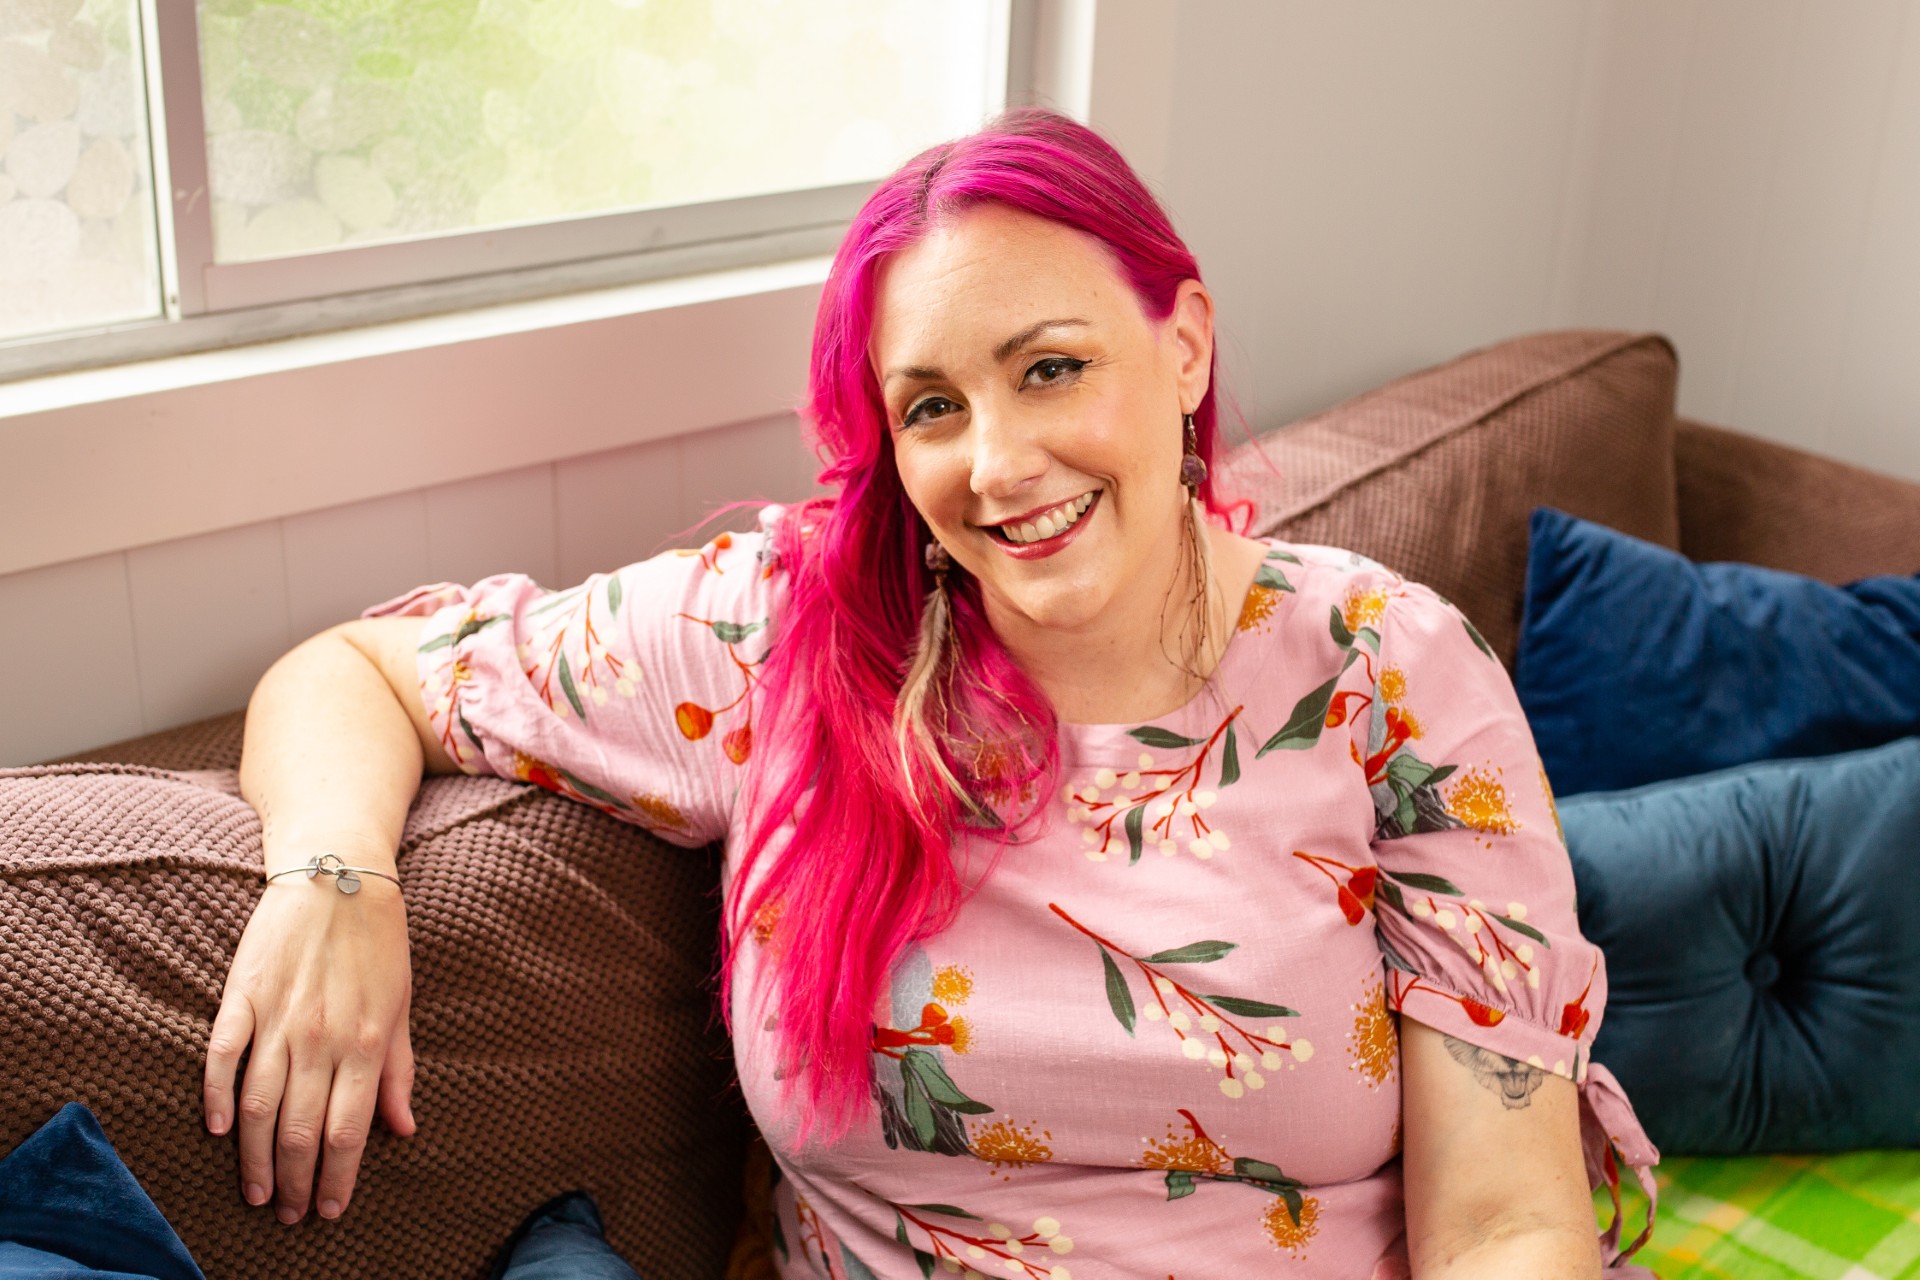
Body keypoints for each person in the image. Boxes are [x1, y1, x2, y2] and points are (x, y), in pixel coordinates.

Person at [205, 108, 1658, 1278]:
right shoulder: (786, 636)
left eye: (1053, 369)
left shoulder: (1390, 674)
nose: (999, 462)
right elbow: (357, 673)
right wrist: (334, 883)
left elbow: (1505, 1227)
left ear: (1185, 346)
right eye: (934, 407)